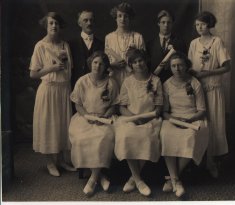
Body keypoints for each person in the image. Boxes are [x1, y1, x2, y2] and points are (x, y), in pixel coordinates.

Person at [29, 12, 76, 177]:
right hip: (48, 90)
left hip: (64, 89)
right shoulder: (40, 46)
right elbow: (33, 74)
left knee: (63, 125)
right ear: (46, 26)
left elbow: (70, 68)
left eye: (56, 23)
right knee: (49, 126)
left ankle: (62, 160)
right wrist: (51, 68)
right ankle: (50, 163)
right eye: (51, 23)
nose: (54, 26)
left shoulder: (64, 45)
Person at [69, 51, 119, 196]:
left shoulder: (111, 83)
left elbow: (114, 105)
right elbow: (77, 105)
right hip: (84, 117)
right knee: (81, 138)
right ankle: (100, 176)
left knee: (103, 137)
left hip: (105, 117)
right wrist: (87, 116)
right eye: (95, 62)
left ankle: (92, 179)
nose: (97, 66)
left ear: (106, 67)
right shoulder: (82, 81)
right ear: (91, 63)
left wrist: (103, 116)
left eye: (101, 63)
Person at [114, 48, 163, 196]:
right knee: (126, 136)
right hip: (130, 118)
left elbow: (159, 106)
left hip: (151, 118)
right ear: (131, 65)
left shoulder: (155, 80)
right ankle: (139, 180)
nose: (138, 64)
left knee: (148, 138)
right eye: (134, 62)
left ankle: (132, 179)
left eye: (140, 60)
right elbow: (122, 106)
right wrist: (135, 118)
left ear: (146, 61)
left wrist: (146, 118)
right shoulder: (128, 81)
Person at [188, 11, 231, 178]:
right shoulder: (193, 43)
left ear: (210, 24)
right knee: (198, 124)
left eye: (203, 24)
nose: (200, 28)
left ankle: (212, 163)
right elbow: (190, 66)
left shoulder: (217, 42)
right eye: (197, 25)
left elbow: (227, 67)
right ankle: (196, 162)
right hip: (198, 89)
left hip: (213, 89)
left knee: (213, 125)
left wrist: (206, 73)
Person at [160, 52, 209, 197]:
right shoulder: (166, 84)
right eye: (174, 66)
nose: (177, 68)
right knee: (166, 134)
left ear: (186, 66)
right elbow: (164, 112)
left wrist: (188, 121)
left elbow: (202, 110)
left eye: (180, 65)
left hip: (193, 117)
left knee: (191, 137)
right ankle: (176, 180)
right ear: (170, 68)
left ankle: (173, 178)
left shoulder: (195, 83)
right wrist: (174, 120)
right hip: (173, 118)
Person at [105, 2, 146, 88]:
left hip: (134, 78)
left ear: (130, 18)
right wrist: (113, 65)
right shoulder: (109, 38)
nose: (122, 19)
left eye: (126, 16)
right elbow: (105, 62)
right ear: (115, 18)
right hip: (114, 78)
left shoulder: (138, 37)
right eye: (119, 16)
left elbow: (144, 61)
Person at [147, 10, 187, 82]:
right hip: (155, 81)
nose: (166, 25)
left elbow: (184, 64)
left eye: (169, 22)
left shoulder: (180, 43)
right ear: (158, 23)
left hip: (174, 81)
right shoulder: (150, 44)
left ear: (172, 24)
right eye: (163, 22)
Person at [70, 10, 104, 88]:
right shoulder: (71, 44)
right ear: (79, 23)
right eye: (85, 20)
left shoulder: (101, 44)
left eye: (91, 20)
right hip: (76, 86)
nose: (89, 23)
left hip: (96, 86)